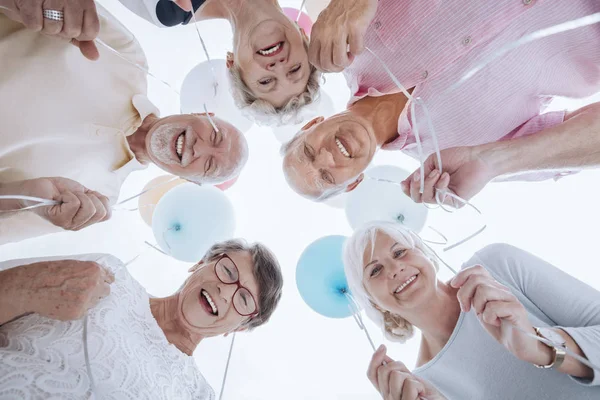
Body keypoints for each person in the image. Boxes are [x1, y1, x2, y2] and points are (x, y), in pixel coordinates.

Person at [282, 0, 600, 201]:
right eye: (326, 177)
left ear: (312, 124)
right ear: (353, 184)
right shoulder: (460, 159)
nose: (325, 159)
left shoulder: (349, 36)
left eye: (308, 151)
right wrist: (491, 160)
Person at [0, 4, 248, 245]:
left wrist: (25, 195)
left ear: (190, 180)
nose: (198, 149)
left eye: (208, 165)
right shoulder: (128, 56)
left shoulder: (90, 199)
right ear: (202, 113)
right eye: (215, 137)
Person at [343, 221, 600, 399]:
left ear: (425, 254)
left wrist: (540, 347)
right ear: (373, 302)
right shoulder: (422, 388)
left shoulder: (496, 267)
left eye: (399, 251)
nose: (394, 269)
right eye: (375, 270)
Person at [0, 239, 284, 399]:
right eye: (228, 271)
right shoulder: (108, 274)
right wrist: (30, 286)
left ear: (240, 326)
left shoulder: (198, 395)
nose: (225, 291)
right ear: (200, 264)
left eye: (244, 300)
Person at [117, 0, 322, 125]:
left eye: (266, 82)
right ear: (303, 35)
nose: (278, 66)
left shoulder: (165, 9)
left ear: (232, 64)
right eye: (295, 70)